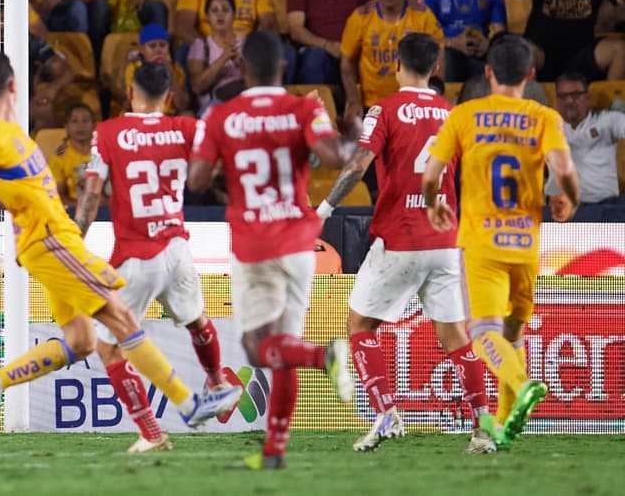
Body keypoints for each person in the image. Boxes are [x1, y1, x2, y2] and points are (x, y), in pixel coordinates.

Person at [0, 51, 230, 441]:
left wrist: (7, 199)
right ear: (15, 86)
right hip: (52, 240)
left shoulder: (0, 131)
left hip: (45, 241)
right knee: (121, 317)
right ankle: (189, 405)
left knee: (82, 341)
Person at [318, 33, 494, 454]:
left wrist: (323, 210)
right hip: (446, 239)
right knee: (455, 337)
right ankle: (483, 430)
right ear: (436, 69)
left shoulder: (385, 110)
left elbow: (359, 166)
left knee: (360, 326)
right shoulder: (453, 114)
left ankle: (386, 413)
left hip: (401, 237)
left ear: (397, 66)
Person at [188, 31, 353, 470]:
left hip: (253, 243)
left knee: (257, 348)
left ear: (242, 70)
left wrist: (224, 153)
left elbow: (198, 181)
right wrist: (350, 132)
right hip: (300, 241)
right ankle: (274, 452)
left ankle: (325, 356)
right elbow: (333, 155)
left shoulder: (223, 115)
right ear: (284, 68)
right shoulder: (303, 107)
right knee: (284, 345)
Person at [76, 61, 241, 453]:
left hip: (136, 257)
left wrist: (75, 243)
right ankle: (218, 382)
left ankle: (151, 431)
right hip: (178, 248)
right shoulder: (185, 128)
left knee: (109, 346)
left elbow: (91, 195)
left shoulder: (109, 133)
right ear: (169, 97)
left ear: (129, 93)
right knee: (196, 320)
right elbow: (218, 164)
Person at [423, 35, 580, 448]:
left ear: (487, 72)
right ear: (530, 75)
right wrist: (569, 202)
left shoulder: (465, 115)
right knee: (513, 334)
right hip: (526, 246)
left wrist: (431, 203)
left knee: (482, 334)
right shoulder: (545, 116)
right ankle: (507, 425)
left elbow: (431, 173)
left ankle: (522, 383)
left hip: (481, 246)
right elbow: (563, 171)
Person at [340, 0, 443, 126]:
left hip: (412, 105)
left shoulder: (422, 16)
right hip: (373, 105)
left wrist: (432, 95)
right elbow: (347, 63)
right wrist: (353, 100)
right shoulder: (360, 17)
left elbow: (438, 55)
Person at [545, 72, 625, 207]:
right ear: (557, 100)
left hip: (605, 206)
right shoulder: (546, 129)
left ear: (587, 97)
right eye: (563, 96)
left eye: (576, 95)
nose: (570, 101)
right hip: (562, 210)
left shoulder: (607, 121)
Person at [187, 0, 244, 111]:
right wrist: (224, 57)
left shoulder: (245, 43)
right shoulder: (200, 45)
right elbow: (197, 87)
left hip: (242, 100)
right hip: (215, 105)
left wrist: (239, 62)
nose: (220, 14)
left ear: (234, 15)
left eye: (225, 10)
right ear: (207, 16)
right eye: (214, 10)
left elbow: (258, 82)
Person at [48, 101, 93, 214]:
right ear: (66, 127)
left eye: (85, 121)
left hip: (104, 209)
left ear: (93, 125)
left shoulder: (104, 152)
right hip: (73, 210)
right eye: (74, 121)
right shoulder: (59, 158)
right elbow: (58, 196)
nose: (80, 126)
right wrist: (82, 206)